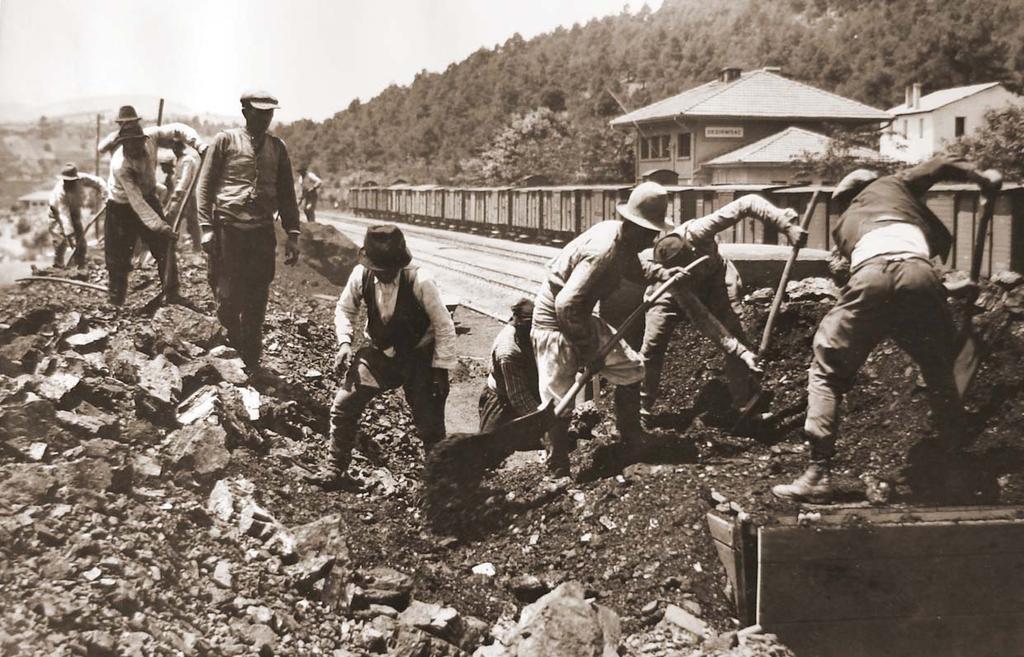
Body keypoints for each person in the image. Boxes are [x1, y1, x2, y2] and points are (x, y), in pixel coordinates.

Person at [772, 157, 1003, 503]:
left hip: (870, 280)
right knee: (940, 372)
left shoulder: (846, 225)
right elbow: (938, 171)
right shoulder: (896, 186)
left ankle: (817, 473)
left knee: (827, 372)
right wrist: (981, 177)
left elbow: (879, 273)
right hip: (919, 277)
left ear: (849, 197)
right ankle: (955, 471)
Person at [531, 181, 684, 478]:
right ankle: (556, 466)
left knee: (632, 368)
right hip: (554, 322)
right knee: (558, 400)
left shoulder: (620, 237)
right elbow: (565, 304)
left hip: (579, 317)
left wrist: (663, 273)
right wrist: (589, 352)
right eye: (651, 233)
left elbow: (630, 268)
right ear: (635, 226)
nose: (652, 239)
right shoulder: (603, 249)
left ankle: (630, 437)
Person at [640, 195, 807, 422]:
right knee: (652, 345)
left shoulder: (698, 231)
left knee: (736, 331)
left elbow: (746, 203)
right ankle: (642, 409)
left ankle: (744, 405)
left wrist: (785, 226)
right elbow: (704, 321)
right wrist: (739, 351)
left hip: (717, 281)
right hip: (670, 293)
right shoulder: (674, 281)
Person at [321, 224, 457, 487]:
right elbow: (344, 309)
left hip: (419, 357)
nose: (383, 275)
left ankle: (437, 484)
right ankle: (335, 469)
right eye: (378, 270)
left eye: (389, 270)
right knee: (343, 405)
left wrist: (441, 369)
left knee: (430, 426)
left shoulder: (420, 280)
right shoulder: (361, 275)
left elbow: (444, 325)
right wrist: (344, 343)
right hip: (379, 355)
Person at [195, 90, 302, 369]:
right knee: (227, 296)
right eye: (259, 113)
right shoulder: (225, 141)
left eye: (269, 113)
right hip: (228, 230)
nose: (265, 119)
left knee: (257, 298)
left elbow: (287, 194)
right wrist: (206, 227)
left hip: (261, 234)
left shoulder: (277, 148)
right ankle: (230, 355)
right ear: (245, 112)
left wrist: (293, 235)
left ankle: (252, 363)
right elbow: (204, 188)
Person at [97, 105, 205, 306]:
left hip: (148, 197)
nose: (134, 150)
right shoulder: (120, 165)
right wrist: (162, 226)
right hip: (121, 205)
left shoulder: (152, 137)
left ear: (143, 140)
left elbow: (178, 129)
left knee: (164, 246)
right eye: (128, 147)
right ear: (123, 144)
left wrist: (198, 144)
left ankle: (171, 293)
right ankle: (115, 301)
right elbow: (137, 204)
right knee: (117, 256)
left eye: (137, 145)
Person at [479, 298, 541, 433]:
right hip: (501, 402)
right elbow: (518, 396)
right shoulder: (507, 350)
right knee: (490, 448)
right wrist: (543, 421)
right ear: (517, 321)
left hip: (524, 390)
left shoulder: (525, 333)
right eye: (530, 326)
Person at [47, 163, 108, 268]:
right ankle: (58, 265)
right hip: (56, 213)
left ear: (75, 179)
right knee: (60, 240)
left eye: (71, 181)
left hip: (74, 209)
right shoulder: (60, 192)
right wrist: (71, 236)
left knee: (80, 237)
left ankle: (81, 263)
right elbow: (64, 217)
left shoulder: (82, 178)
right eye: (66, 181)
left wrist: (105, 195)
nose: (68, 183)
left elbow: (99, 182)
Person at [166, 140, 202, 250]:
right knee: (174, 218)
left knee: (191, 221)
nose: (175, 150)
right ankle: (173, 245)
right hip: (180, 194)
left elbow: (185, 178)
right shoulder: (178, 160)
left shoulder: (188, 160)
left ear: (182, 148)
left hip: (187, 195)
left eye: (177, 147)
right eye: (173, 147)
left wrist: (178, 191)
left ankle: (197, 246)